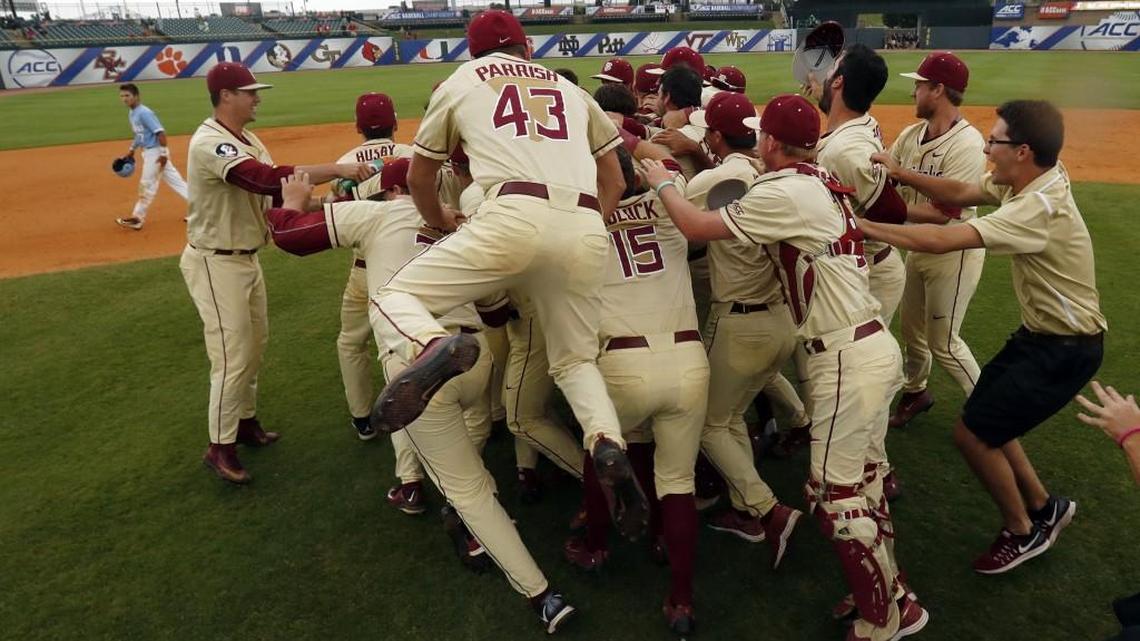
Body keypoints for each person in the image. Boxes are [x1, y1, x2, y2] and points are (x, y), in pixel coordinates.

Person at [644, 94, 928, 641]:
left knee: (836, 502)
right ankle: (890, 591)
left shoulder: (786, 191)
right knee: (861, 489)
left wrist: (663, 180)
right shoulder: (818, 180)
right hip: (863, 346)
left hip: (844, 353)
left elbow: (698, 228)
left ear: (770, 141)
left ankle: (887, 618)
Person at [367, 11, 650, 540]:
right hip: (586, 223)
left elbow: (419, 172)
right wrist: (592, 222)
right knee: (575, 361)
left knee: (393, 295)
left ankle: (432, 345)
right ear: (525, 48)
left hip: (511, 214)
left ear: (474, 53)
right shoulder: (571, 90)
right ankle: (604, 438)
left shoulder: (463, 80)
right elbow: (618, 173)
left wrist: (437, 220)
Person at [263, 162, 577, 632]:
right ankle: (459, 494)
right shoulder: (460, 226)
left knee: (465, 489)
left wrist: (291, 204)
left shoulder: (379, 214)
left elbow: (290, 236)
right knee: (470, 440)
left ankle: (542, 596)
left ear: (393, 190)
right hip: (475, 356)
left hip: (411, 353)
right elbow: (495, 313)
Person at [863, 99, 1106, 574]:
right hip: (1041, 337)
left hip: (1066, 348)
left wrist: (860, 226)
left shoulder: (1036, 207)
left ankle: (1020, 531)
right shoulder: (1033, 177)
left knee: (973, 436)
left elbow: (944, 237)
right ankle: (1043, 506)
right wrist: (902, 173)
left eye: (995, 141)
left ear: (1023, 151)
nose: (987, 148)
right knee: (987, 420)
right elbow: (962, 189)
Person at [181, 62, 375, 484]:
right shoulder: (209, 143)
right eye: (249, 91)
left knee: (255, 345)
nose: (257, 97)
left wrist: (335, 205)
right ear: (226, 95)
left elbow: (283, 197)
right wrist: (337, 170)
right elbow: (266, 180)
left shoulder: (248, 139)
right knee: (232, 355)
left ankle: (245, 422)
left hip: (246, 258)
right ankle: (219, 445)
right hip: (215, 261)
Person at [563, 145, 707, 636]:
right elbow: (659, 161)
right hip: (689, 358)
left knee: (602, 451)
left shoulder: (580, 224)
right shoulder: (671, 204)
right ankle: (681, 599)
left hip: (622, 360)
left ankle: (596, 544)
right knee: (679, 482)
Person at [681, 92, 804, 564]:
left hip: (740, 322)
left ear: (713, 136)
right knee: (729, 416)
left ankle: (768, 511)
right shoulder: (772, 176)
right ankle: (745, 510)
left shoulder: (717, 176)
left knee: (709, 423)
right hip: (781, 321)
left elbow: (673, 209)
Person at [888, 52, 988, 431]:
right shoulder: (912, 135)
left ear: (938, 89)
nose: (913, 90)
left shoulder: (968, 144)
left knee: (943, 342)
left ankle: (989, 411)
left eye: (919, 84)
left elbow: (942, 212)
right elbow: (888, 176)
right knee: (912, 332)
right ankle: (916, 392)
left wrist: (887, 211)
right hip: (918, 247)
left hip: (954, 254)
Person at [331, 93, 414, 442]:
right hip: (417, 263)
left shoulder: (346, 163)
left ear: (358, 127)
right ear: (395, 124)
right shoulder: (413, 153)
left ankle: (363, 418)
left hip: (366, 268)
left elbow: (339, 216)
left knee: (351, 342)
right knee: (413, 342)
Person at [115, 83, 188, 230]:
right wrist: (131, 149)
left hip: (155, 153)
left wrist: (163, 154)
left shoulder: (144, 113)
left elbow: (160, 133)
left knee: (147, 185)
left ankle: (137, 218)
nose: (124, 99)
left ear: (136, 96)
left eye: (127, 95)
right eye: (122, 96)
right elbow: (139, 134)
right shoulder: (132, 113)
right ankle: (204, 210)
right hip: (148, 152)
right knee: (177, 182)